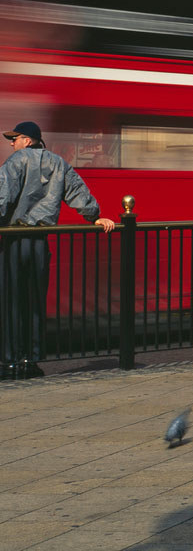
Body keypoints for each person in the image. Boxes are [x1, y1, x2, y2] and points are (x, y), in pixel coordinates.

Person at [0, 122, 111, 380]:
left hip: (14, 240)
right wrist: (94, 216)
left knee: (10, 302)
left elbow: (2, 197)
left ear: (27, 141)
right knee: (35, 301)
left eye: (14, 138)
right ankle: (31, 360)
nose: (11, 143)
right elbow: (76, 190)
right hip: (39, 241)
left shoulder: (16, 161)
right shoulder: (58, 164)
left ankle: (9, 362)